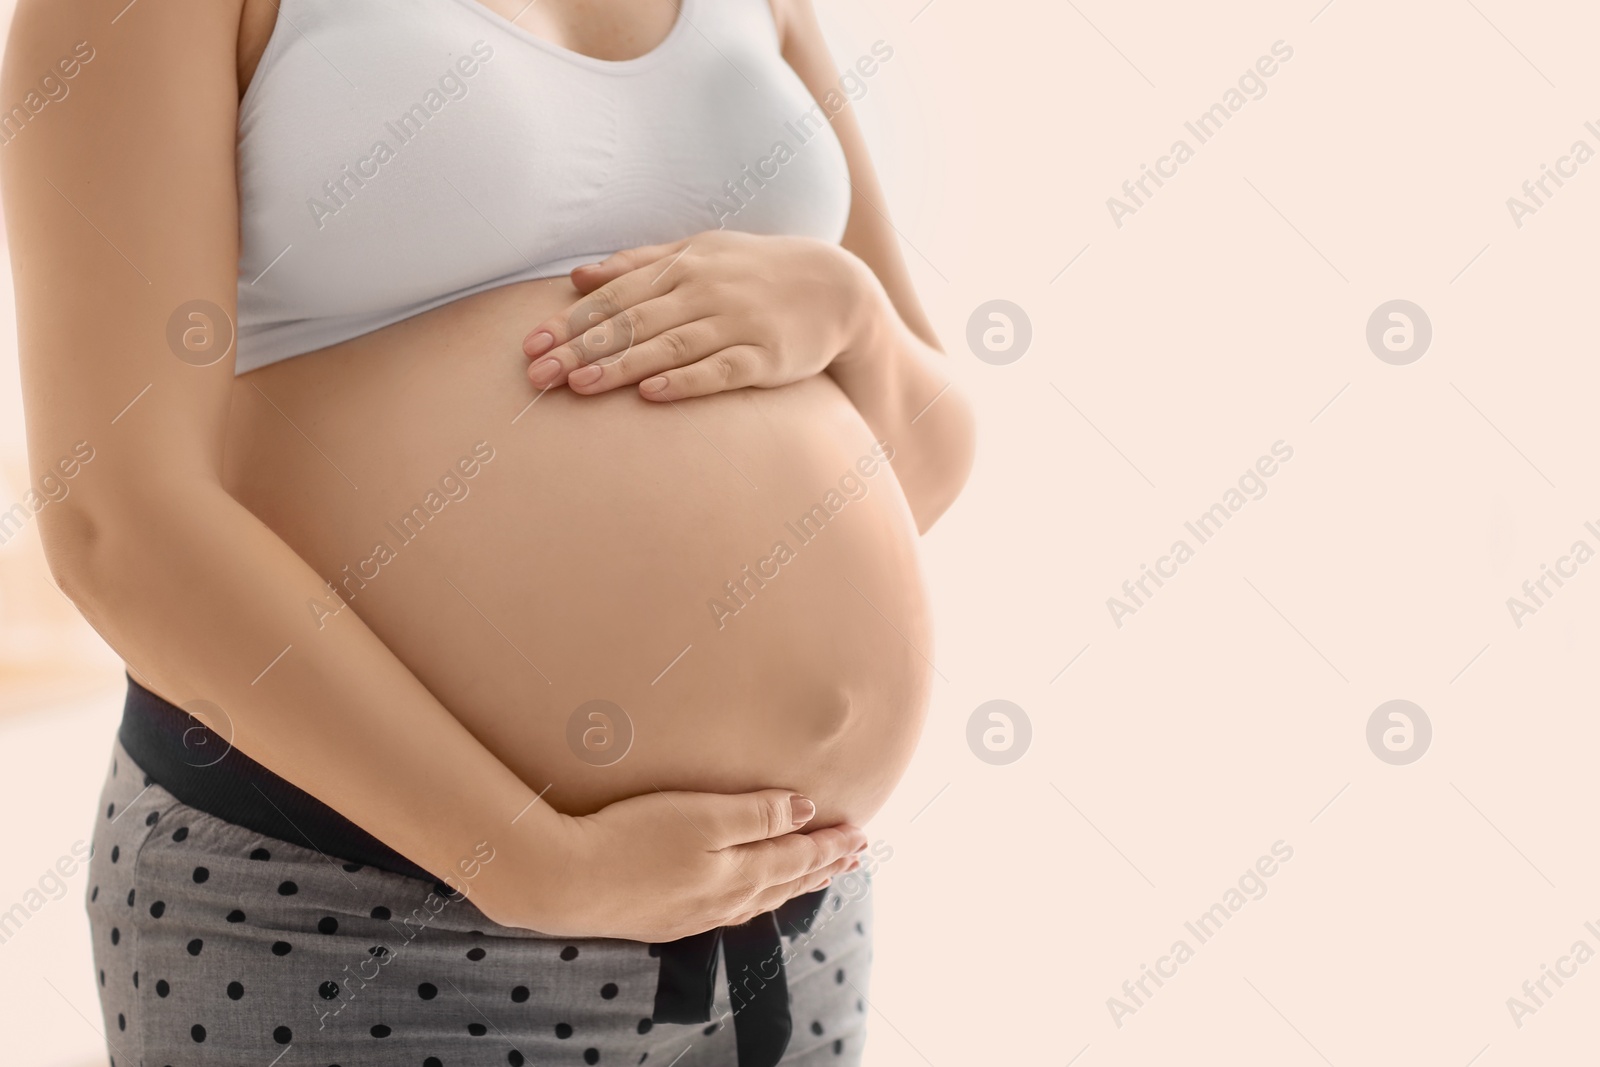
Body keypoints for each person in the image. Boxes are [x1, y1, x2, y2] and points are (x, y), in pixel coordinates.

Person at [1, 0, 975, 1063]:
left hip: (784, 906)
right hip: (352, 899)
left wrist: (852, 315)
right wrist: (540, 865)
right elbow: (119, 521)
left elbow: (923, 468)